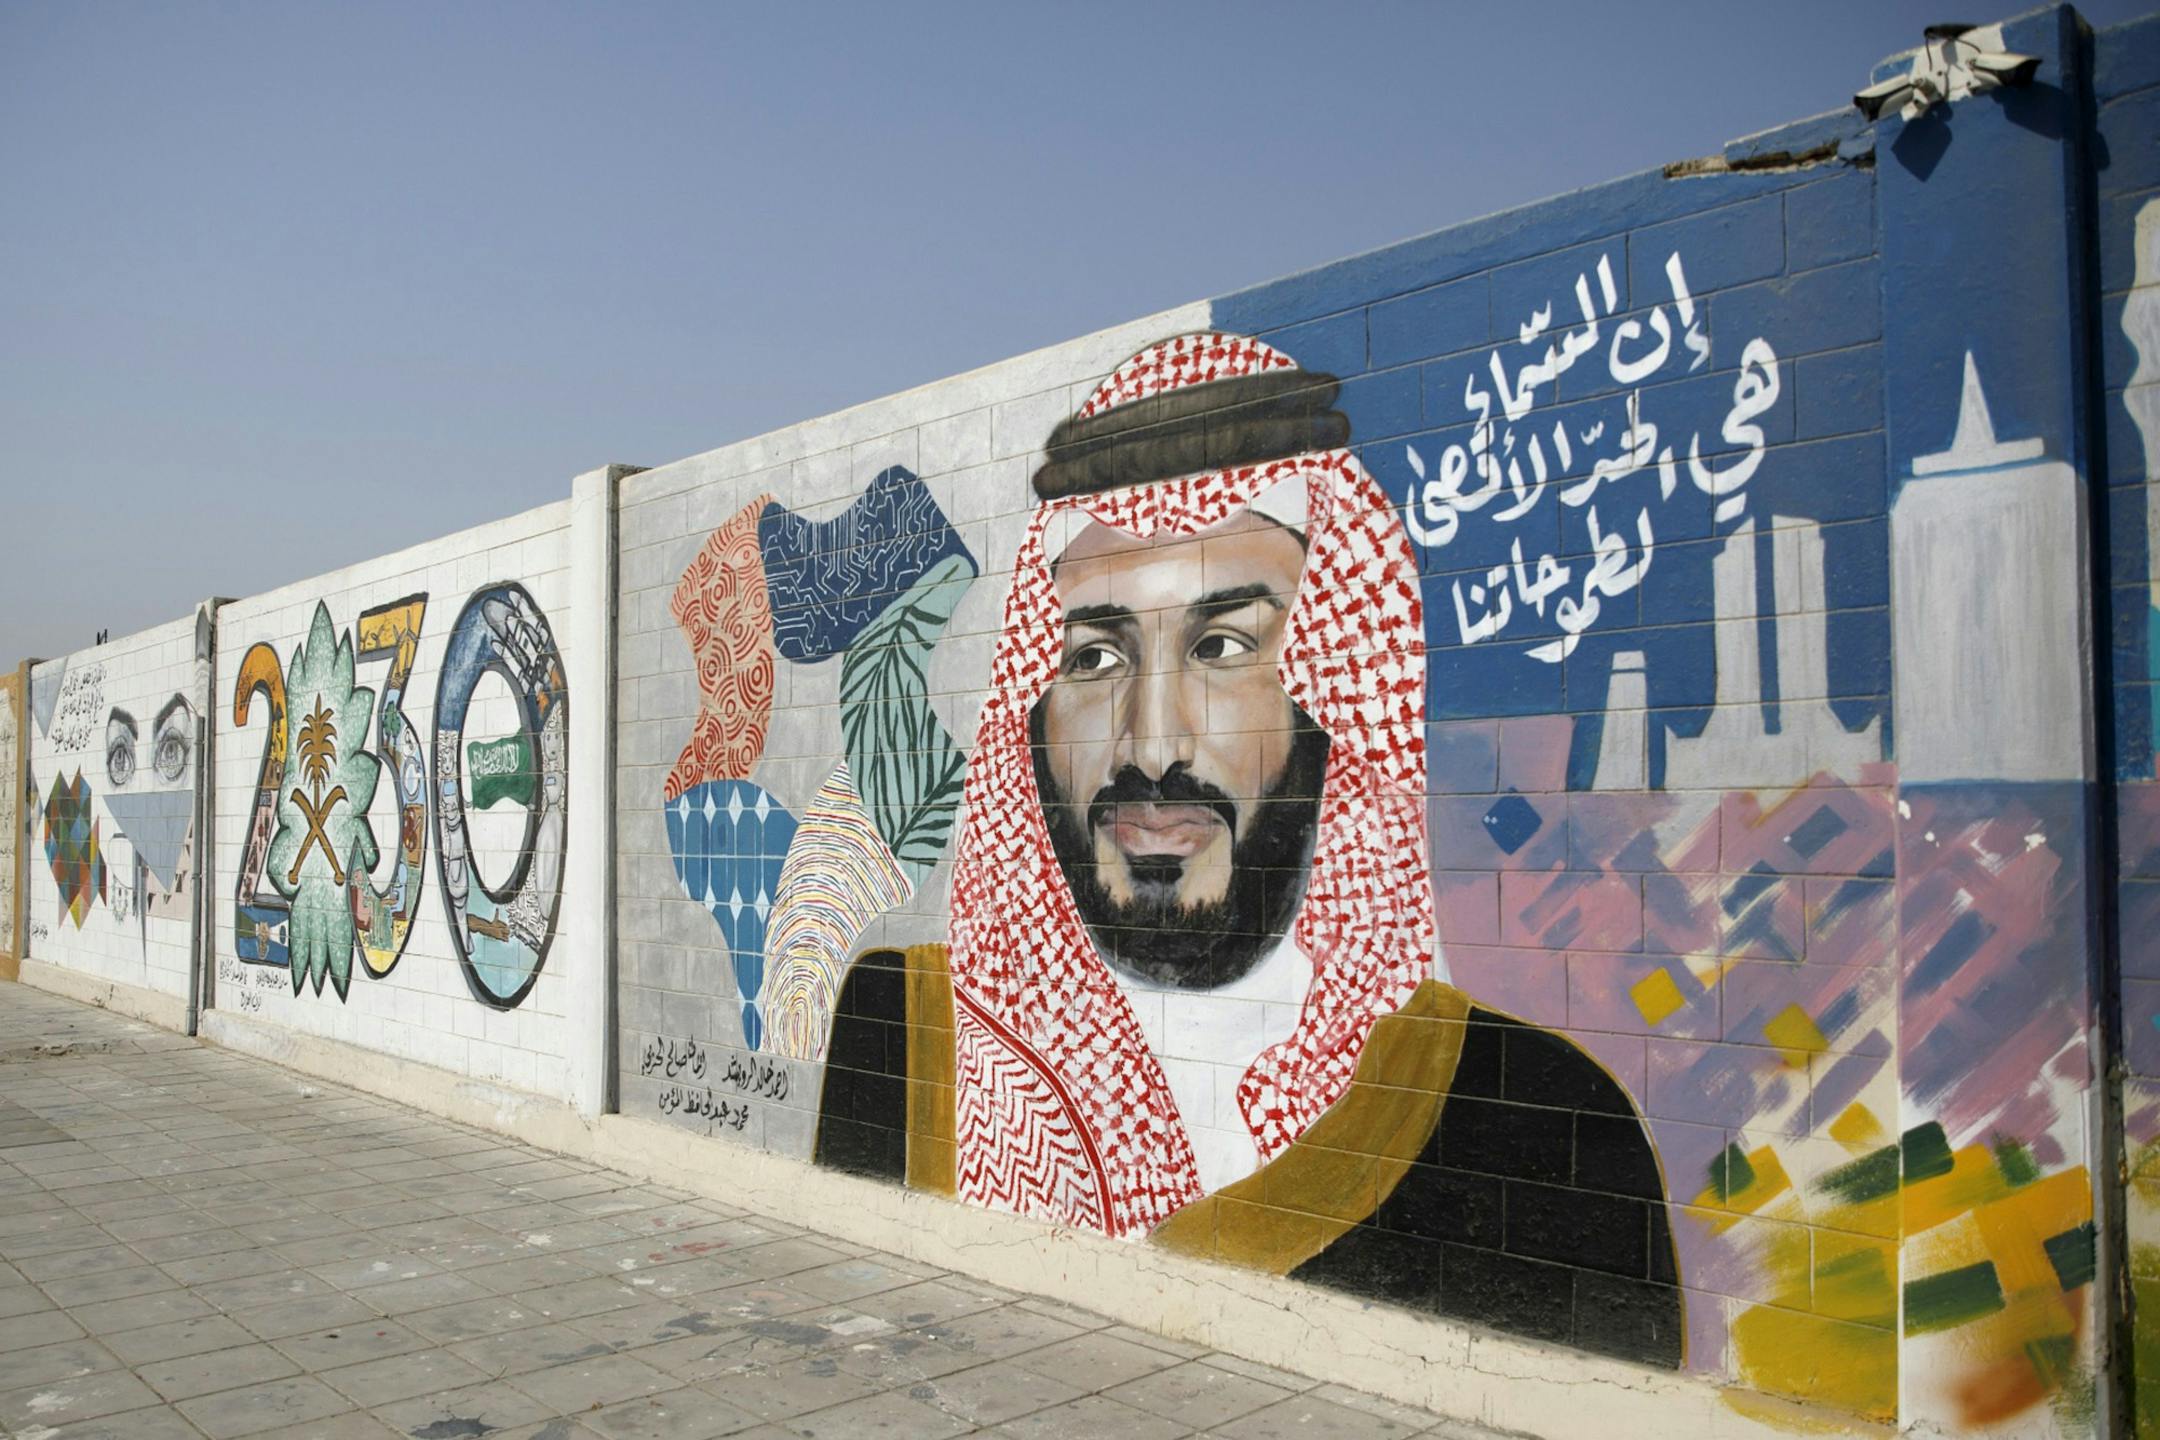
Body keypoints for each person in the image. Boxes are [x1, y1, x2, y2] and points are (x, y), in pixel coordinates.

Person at [816, 334, 1683, 1366]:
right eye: (1094, 656)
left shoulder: (1543, 1115)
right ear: (1033, 708)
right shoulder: (904, 1033)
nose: (1152, 745)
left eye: (1223, 647)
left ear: (1339, 694)